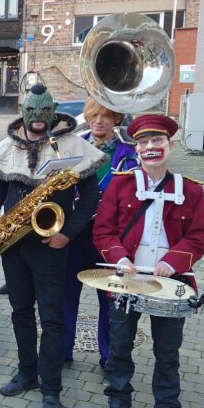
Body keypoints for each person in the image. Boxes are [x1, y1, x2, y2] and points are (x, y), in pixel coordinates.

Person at [0, 85, 106, 408]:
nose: (37, 119)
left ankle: (51, 389)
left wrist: (68, 233)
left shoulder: (73, 145)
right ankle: (26, 373)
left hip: (51, 246)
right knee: (20, 310)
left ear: (52, 111)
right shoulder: (9, 145)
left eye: (43, 112)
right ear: (24, 110)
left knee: (51, 318)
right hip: (14, 244)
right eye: (31, 112)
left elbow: (91, 196)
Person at [92, 114, 204, 408]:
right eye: (143, 142)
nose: (150, 148)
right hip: (127, 280)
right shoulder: (121, 183)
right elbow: (103, 231)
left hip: (171, 284)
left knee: (167, 353)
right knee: (119, 347)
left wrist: (172, 262)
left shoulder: (191, 190)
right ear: (137, 148)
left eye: (157, 141)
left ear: (170, 145)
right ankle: (118, 405)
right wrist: (120, 257)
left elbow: (198, 236)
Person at [61, 99, 140, 367]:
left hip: (108, 238)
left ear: (116, 119)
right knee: (66, 296)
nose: (99, 120)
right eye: (94, 114)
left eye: (106, 116)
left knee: (109, 300)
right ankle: (62, 351)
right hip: (72, 233)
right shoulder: (72, 147)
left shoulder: (129, 153)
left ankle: (108, 357)